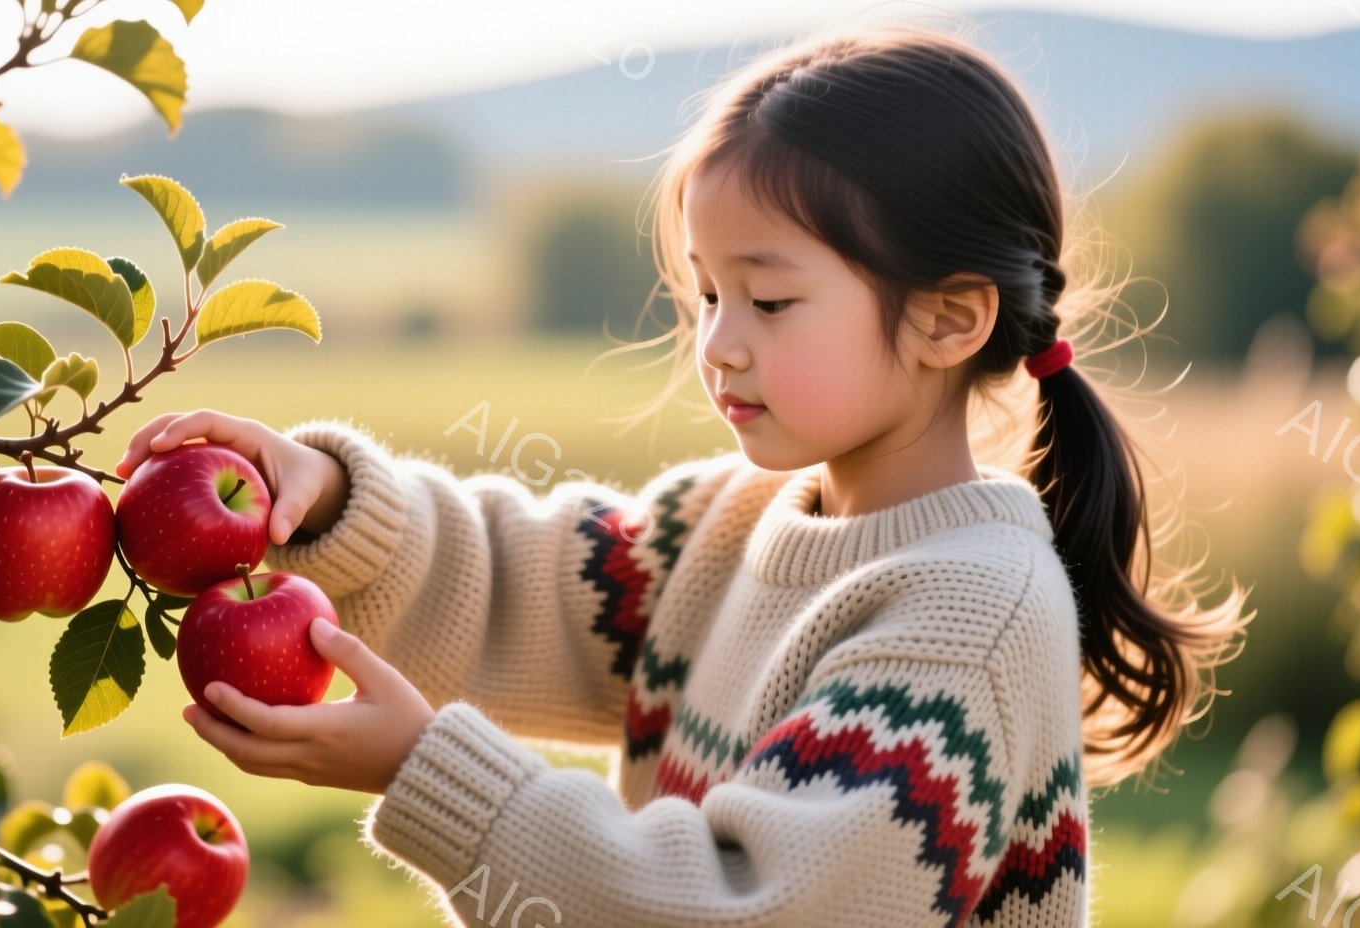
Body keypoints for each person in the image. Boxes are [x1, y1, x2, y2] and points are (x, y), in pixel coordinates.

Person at [116, 23, 1251, 928]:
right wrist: (328, 499)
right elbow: (522, 585)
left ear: (949, 320)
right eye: (708, 293)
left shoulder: (970, 611)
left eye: (770, 299)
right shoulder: (731, 524)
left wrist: (433, 777)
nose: (718, 343)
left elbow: (748, 906)